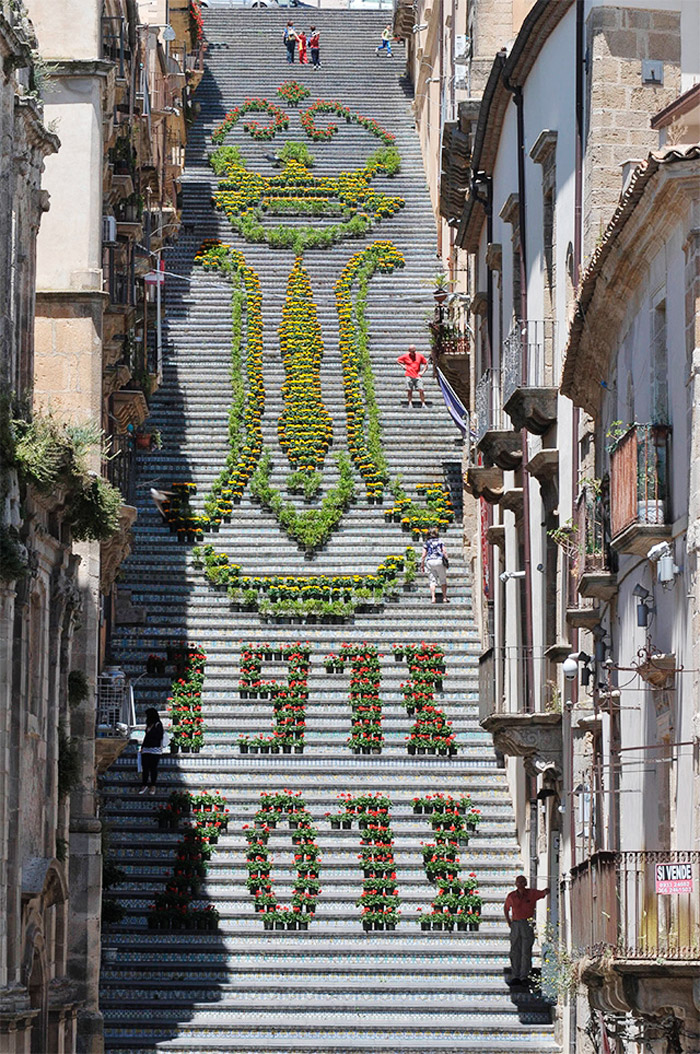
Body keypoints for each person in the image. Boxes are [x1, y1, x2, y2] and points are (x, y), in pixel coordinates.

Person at [503, 875, 550, 986]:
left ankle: (524, 975)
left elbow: (543, 893)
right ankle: (515, 975)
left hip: (527, 923)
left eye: (522, 882)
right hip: (516, 924)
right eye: (518, 883)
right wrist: (509, 922)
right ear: (516, 884)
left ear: (525, 883)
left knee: (526, 950)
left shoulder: (531, 894)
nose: (520, 885)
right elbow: (506, 908)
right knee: (515, 950)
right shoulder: (512, 896)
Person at [139, 707, 165, 795]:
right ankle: (144, 784)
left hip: (155, 749)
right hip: (146, 748)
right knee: (145, 768)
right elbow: (146, 737)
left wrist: (151, 734)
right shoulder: (149, 725)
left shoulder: (158, 724)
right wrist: (142, 747)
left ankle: (153, 785)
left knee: (153, 768)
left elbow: (159, 736)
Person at [421, 526, 449, 604]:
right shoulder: (440, 541)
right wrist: (447, 561)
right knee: (443, 580)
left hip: (430, 561)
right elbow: (444, 552)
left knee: (432, 581)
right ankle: (444, 598)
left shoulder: (427, 543)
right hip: (439, 561)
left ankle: (433, 598)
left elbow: (423, 555)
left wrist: (422, 564)